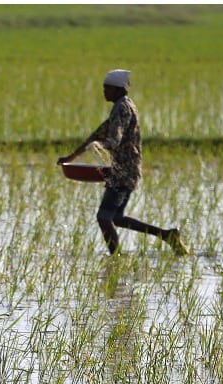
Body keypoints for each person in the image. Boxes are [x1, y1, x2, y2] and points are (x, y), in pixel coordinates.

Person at [58, 68, 190, 256]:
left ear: (119, 89)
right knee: (116, 218)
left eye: (107, 89)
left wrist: (101, 145)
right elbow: (98, 133)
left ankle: (116, 258)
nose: (104, 92)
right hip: (124, 170)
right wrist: (72, 157)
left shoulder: (122, 108)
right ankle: (167, 235)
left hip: (123, 172)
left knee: (104, 217)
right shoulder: (122, 105)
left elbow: (114, 139)